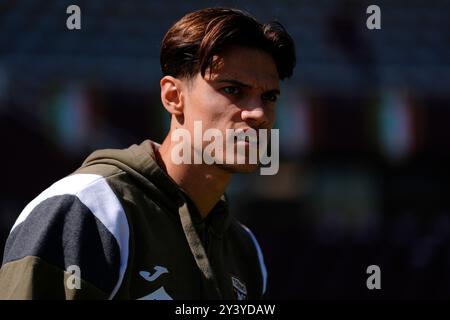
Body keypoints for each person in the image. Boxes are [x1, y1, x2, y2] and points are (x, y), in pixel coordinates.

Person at [0, 7, 295, 299]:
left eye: (268, 96)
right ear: (173, 96)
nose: (258, 113)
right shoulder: (86, 210)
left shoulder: (245, 250)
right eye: (233, 90)